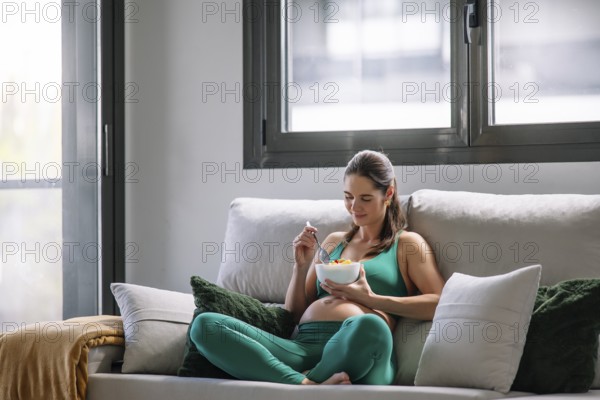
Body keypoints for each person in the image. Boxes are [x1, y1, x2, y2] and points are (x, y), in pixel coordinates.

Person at [190, 150, 445, 385]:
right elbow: (293, 314)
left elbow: (438, 303)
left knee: (371, 326)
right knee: (204, 325)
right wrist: (299, 267)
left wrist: (370, 298)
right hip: (303, 346)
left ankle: (306, 382)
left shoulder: (407, 245)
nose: (354, 207)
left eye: (365, 198)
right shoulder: (334, 242)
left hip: (359, 347)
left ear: (388, 194)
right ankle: (305, 385)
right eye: (348, 197)